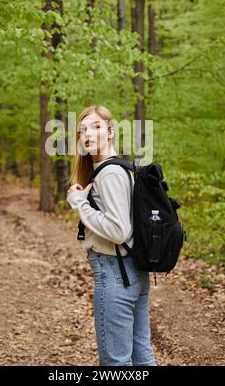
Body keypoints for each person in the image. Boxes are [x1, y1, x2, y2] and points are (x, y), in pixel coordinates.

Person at [66, 104, 156, 367]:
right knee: (142, 356)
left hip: (115, 274)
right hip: (133, 272)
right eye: (83, 130)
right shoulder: (122, 169)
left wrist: (78, 203)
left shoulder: (110, 173)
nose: (88, 135)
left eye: (96, 127)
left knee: (116, 363)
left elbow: (119, 231)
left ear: (111, 132)